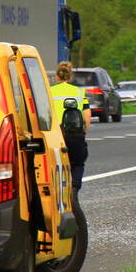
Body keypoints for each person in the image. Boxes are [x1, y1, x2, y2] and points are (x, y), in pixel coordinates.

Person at [50, 61, 91, 193]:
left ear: (57, 76)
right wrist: (82, 133)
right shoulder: (79, 92)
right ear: (70, 76)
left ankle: (58, 190)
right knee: (78, 163)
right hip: (74, 134)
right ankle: (74, 188)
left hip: (55, 136)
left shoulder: (49, 92)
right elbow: (87, 117)